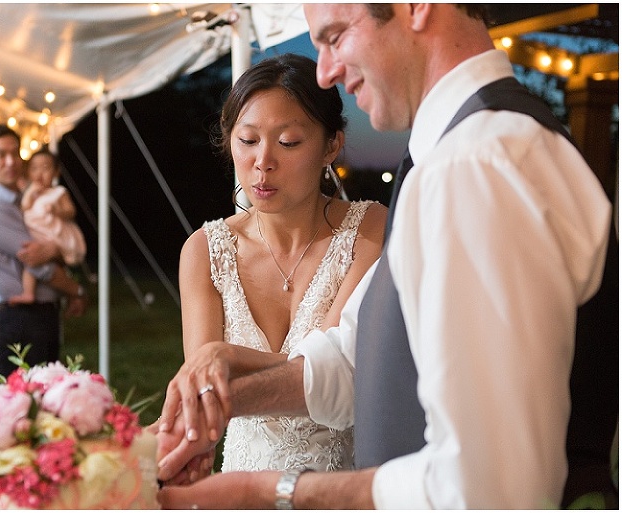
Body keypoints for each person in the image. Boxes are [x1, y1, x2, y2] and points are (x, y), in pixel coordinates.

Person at [155, 4, 616, 509]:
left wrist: (274, 492)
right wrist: (224, 402)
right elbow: (359, 361)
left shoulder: (476, 163)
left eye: (335, 36)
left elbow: (486, 486)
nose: (325, 69)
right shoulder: (446, 157)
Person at [178, 53, 386, 474]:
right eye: (248, 140)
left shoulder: (371, 230)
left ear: (331, 145)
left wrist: (226, 357)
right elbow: (203, 392)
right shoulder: (204, 251)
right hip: (238, 489)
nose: (262, 161)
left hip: (340, 492)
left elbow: (340, 368)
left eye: (288, 142)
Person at [0, 124, 88, 378]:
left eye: (16, 153)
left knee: (46, 402)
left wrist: (56, 248)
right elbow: (39, 263)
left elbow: (50, 249)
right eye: (0, 155)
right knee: (30, 407)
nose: (11, 161)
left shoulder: (22, 199)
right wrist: (77, 291)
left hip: (39, 315)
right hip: (20, 320)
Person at [9, 149, 86, 305]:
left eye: (45, 168)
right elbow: (24, 209)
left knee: (49, 265)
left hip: (54, 236)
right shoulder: (30, 193)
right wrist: (30, 194)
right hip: (37, 235)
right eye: (34, 168)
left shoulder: (58, 192)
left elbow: (71, 211)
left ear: (56, 172)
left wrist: (58, 210)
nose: (40, 173)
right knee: (31, 263)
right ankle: (29, 292)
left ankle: (69, 293)